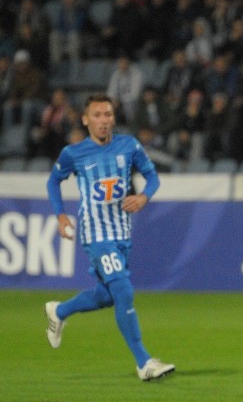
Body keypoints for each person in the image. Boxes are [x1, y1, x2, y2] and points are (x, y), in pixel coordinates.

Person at [44, 93, 175, 382]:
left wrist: (143, 197)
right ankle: (144, 362)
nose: (104, 121)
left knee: (107, 295)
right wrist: (60, 214)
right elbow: (53, 180)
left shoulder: (129, 146)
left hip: (122, 233)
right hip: (95, 234)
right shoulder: (73, 153)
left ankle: (60, 310)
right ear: (85, 119)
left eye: (108, 115)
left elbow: (152, 177)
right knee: (124, 291)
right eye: (97, 115)